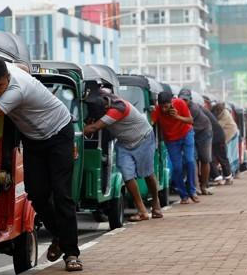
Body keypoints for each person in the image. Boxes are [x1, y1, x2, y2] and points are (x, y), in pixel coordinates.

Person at [0, 56, 82, 272]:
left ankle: (71, 254)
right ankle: (59, 236)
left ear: (8, 78)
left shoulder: (17, 88)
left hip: (59, 132)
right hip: (33, 139)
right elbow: (22, 66)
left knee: (62, 194)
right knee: (36, 194)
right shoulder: (10, 70)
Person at [83, 92, 163, 222]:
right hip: (124, 143)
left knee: (147, 174)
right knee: (127, 176)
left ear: (105, 109)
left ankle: (155, 203)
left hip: (143, 139)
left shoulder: (117, 109)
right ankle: (142, 210)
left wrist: (75, 132)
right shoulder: (105, 100)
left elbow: (94, 127)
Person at [152, 91, 198, 204]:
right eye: (161, 106)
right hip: (171, 140)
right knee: (177, 167)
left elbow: (191, 121)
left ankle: (192, 191)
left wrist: (177, 116)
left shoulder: (180, 103)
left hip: (186, 134)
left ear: (171, 102)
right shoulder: (158, 109)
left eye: (166, 106)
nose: (163, 109)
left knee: (189, 160)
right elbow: (151, 123)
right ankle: (184, 195)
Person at [178, 89, 213, 196]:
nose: (183, 102)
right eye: (181, 100)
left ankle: (203, 186)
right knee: (192, 159)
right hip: (190, 133)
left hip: (204, 132)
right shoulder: (176, 106)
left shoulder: (193, 109)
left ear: (190, 100)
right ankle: (196, 187)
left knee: (205, 159)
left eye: (186, 100)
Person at [203, 105, 233, 185]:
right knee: (221, 157)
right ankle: (226, 177)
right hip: (217, 136)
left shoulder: (202, 112)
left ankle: (220, 177)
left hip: (215, 137)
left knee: (213, 157)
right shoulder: (206, 112)